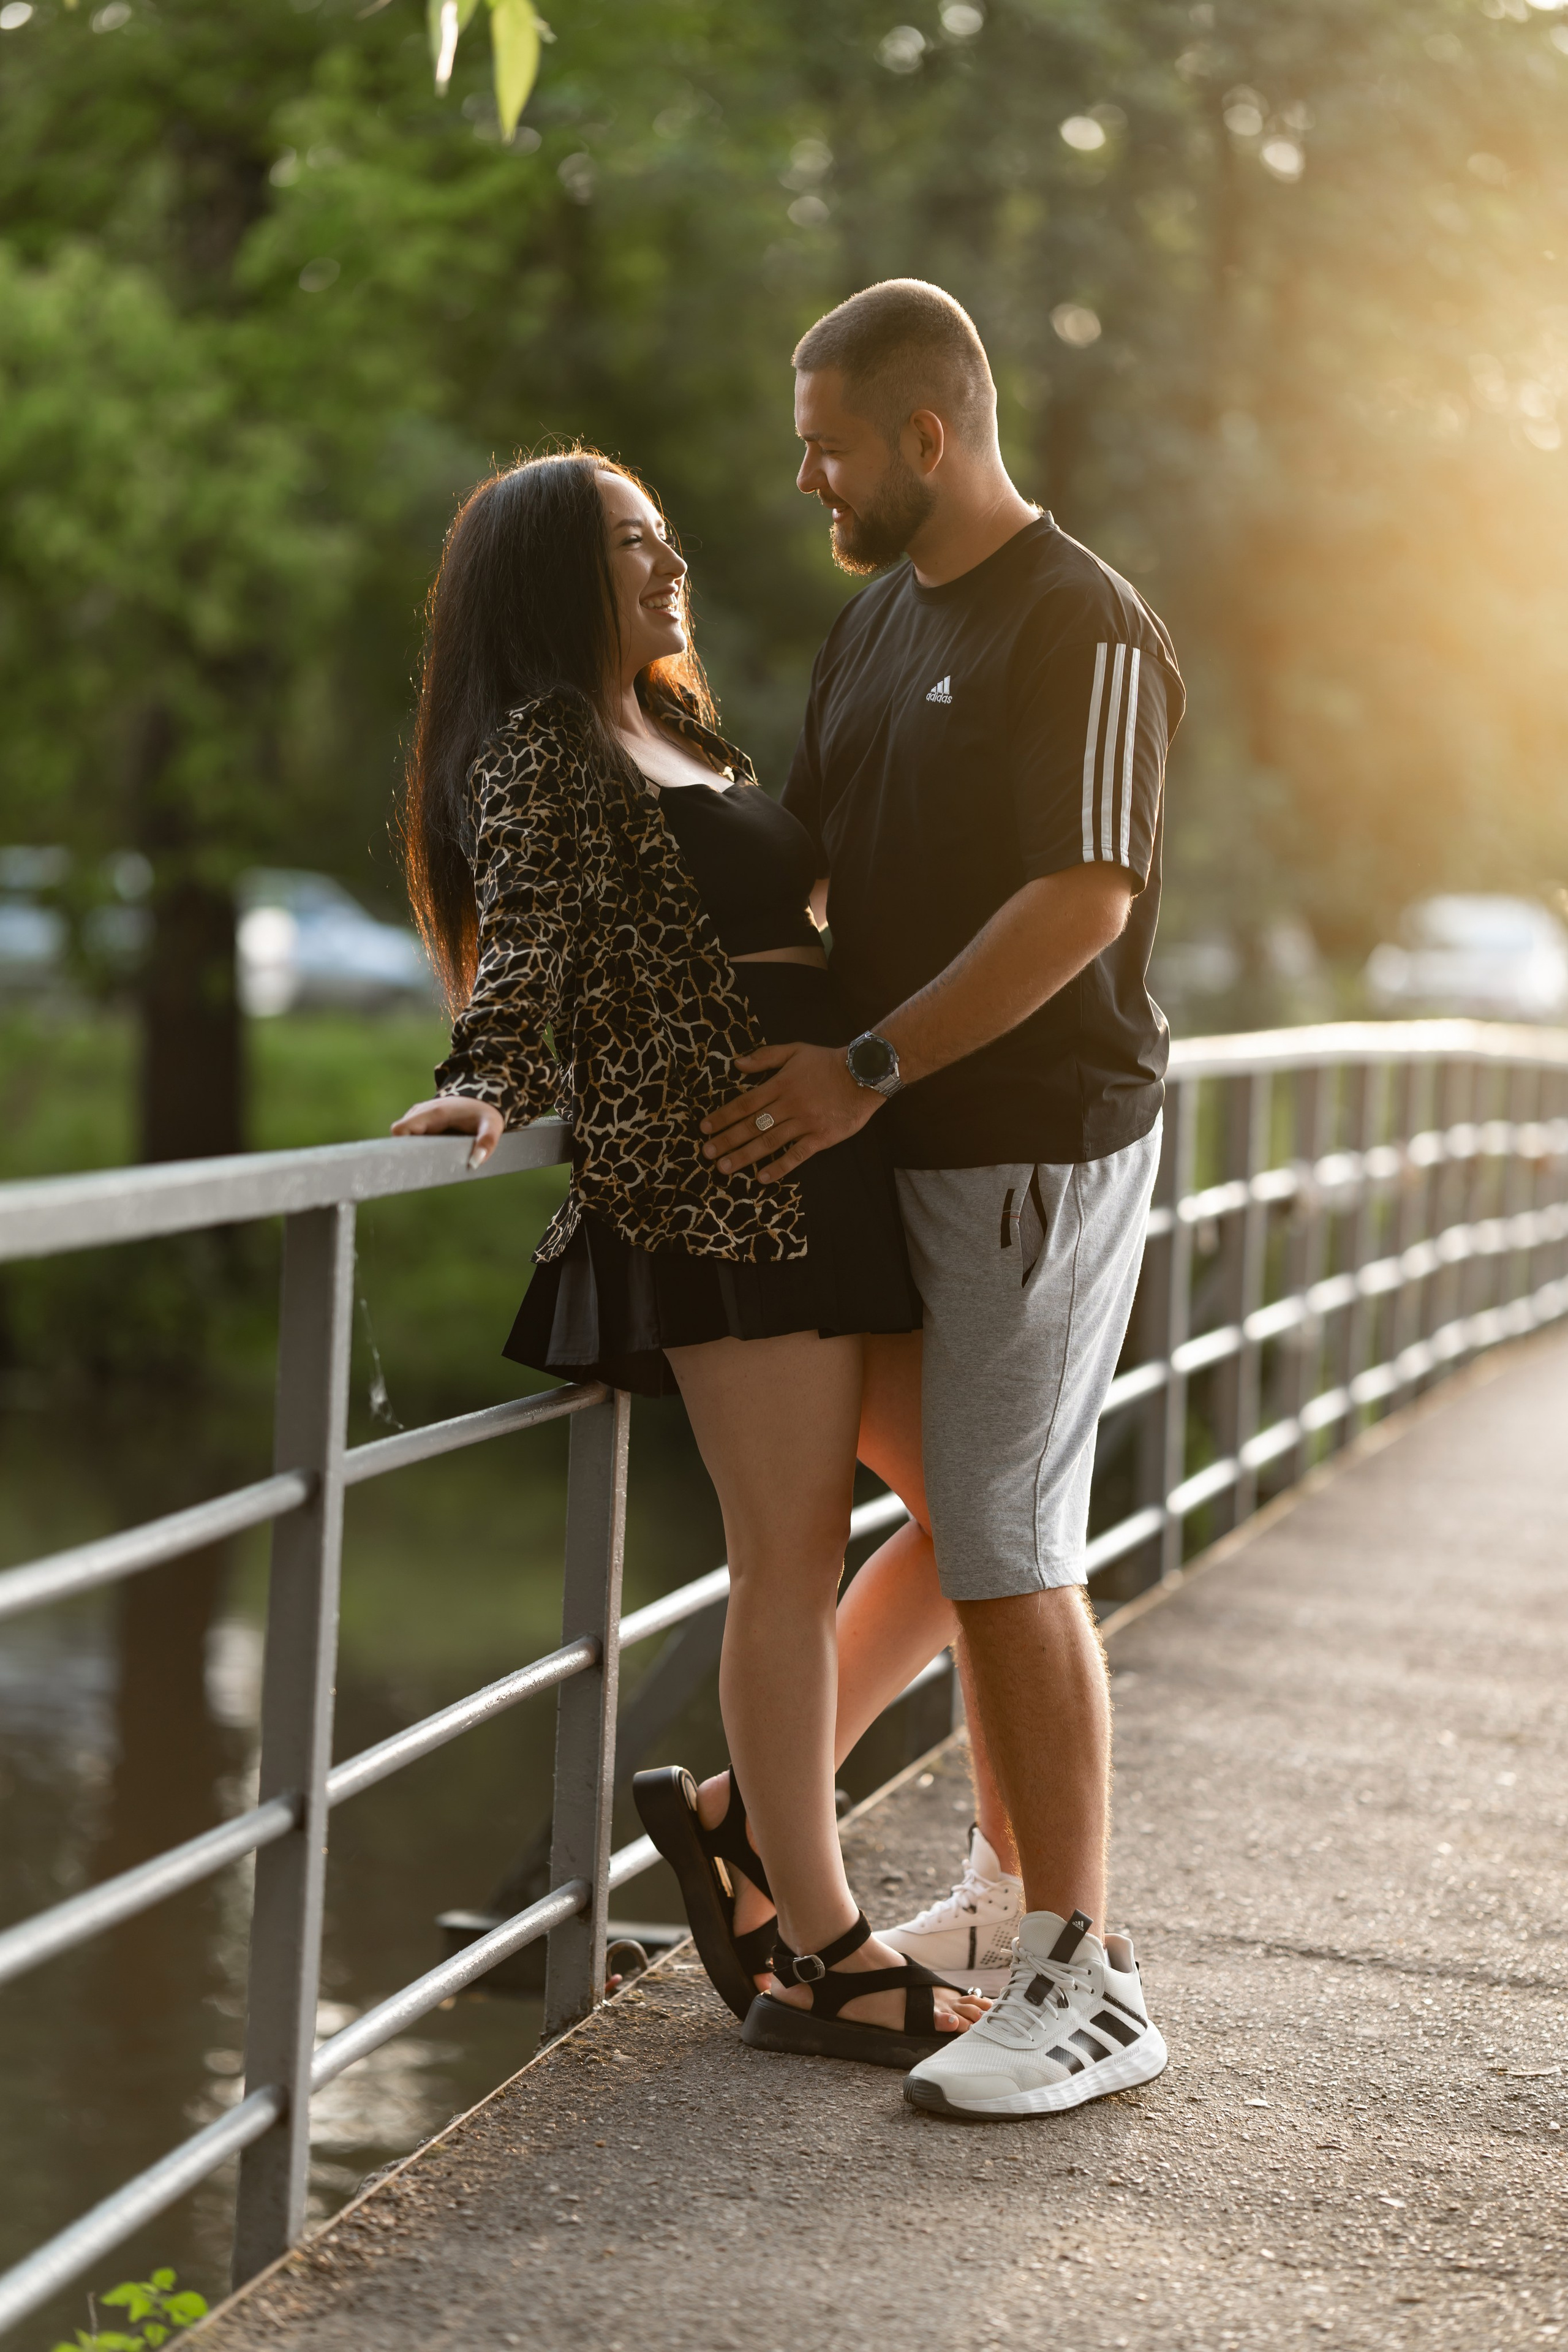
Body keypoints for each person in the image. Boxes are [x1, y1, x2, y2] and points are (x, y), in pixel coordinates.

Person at [390, 446, 988, 2070]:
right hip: (719, 1188)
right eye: (632, 547)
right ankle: (826, 1944)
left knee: (980, 1519)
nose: (671, 567)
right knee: (789, 1554)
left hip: (829, 1167)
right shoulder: (541, 748)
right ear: (550, 578)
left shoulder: (682, 727)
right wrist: (485, 1080)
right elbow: (527, 932)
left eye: (666, 539)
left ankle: (732, 1824)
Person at [698, 279, 1183, 2117]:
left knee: (999, 1536)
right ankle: (992, 1899)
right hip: (903, 1148)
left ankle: (1083, 1969)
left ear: (929, 431)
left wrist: (865, 1070)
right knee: (954, 1498)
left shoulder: (1092, 626)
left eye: (827, 443)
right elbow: (804, 871)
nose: (804, 473)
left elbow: (1086, 907)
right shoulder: (876, 627)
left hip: (1036, 1145)